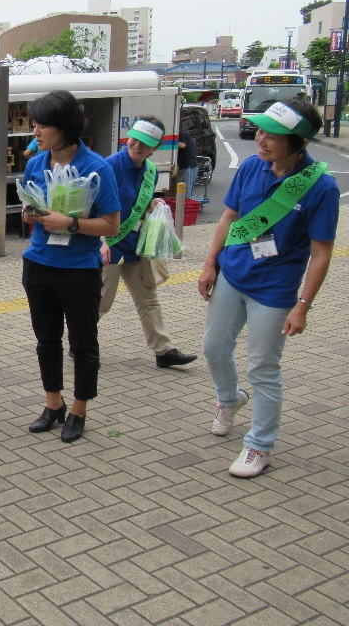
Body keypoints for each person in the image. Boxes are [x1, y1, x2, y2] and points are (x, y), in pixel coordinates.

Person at [198, 98, 338, 478]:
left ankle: (259, 445)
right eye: (260, 130)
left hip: (274, 291)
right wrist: (210, 264)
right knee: (213, 349)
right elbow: (229, 216)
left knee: (262, 368)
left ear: (300, 143)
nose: (260, 139)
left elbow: (321, 253)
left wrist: (303, 306)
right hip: (233, 275)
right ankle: (229, 400)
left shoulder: (320, 187)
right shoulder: (251, 167)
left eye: (272, 135)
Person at [20, 91, 121, 443]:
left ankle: (78, 410)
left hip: (79, 269)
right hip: (39, 264)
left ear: (65, 127)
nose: (36, 130)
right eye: (34, 123)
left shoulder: (97, 168)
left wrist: (71, 224)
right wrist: (32, 215)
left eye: (43, 124)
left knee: (83, 344)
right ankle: (53, 405)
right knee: (46, 340)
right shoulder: (37, 164)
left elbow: (111, 225)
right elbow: (34, 211)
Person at [99, 117, 197, 369]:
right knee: (101, 302)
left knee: (149, 299)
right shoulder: (110, 167)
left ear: (155, 148)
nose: (138, 146)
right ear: (127, 138)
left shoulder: (150, 172)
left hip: (136, 246)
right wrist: (100, 240)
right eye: (135, 140)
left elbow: (137, 204)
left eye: (146, 144)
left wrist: (152, 204)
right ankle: (80, 342)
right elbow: (93, 207)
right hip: (110, 245)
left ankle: (162, 351)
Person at [177, 125, 199, 199]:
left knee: (184, 193)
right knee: (187, 192)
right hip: (193, 165)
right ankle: (187, 208)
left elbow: (182, 145)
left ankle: (185, 209)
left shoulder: (180, 134)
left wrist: (169, 143)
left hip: (187, 166)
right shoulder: (185, 133)